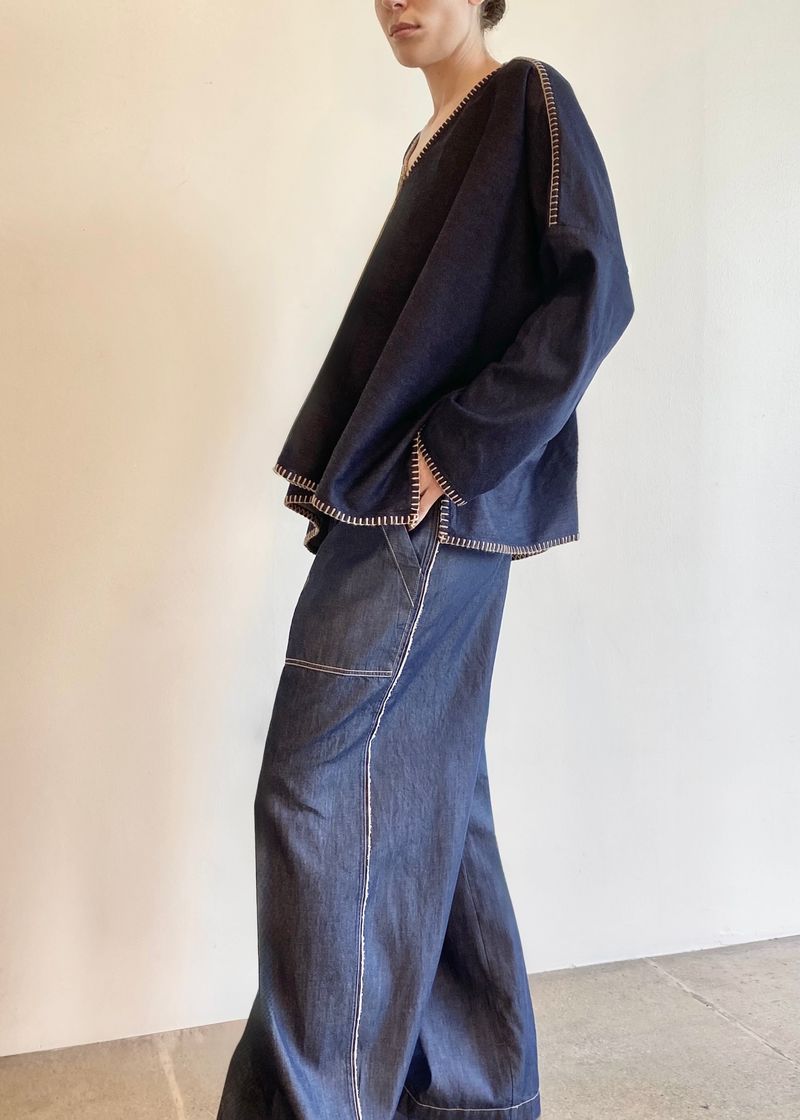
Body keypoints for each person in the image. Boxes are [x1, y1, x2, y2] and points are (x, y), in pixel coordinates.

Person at [216, 3, 634, 1118]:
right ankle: (471, 1092)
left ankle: (316, 1104)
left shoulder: (523, 97)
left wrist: (443, 456)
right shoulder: (433, 143)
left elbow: (593, 294)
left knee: (311, 795)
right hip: (405, 514)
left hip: (426, 517)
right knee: (425, 792)